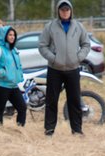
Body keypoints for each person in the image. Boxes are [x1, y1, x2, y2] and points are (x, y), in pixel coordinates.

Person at [38, 0, 90, 136]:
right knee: (51, 100)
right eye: (62, 10)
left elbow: (86, 44)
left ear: (71, 11)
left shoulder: (78, 27)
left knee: (74, 100)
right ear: (58, 11)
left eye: (67, 10)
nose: (65, 12)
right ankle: (49, 130)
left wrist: (78, 58)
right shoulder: (50, 27)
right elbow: (42, 45)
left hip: (73, 69)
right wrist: (53, 58)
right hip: (55, 69)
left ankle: (77, 130)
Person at [0, 25, 26, 127]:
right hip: (0, 85)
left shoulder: (14, 50)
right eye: (10, 35)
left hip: (13, 85)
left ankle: (20, 130)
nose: (12, 37)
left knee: (22, 107)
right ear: (4, 36)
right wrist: (4, 74)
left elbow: (17, 65)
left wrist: (19, 76)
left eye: (14, 35)